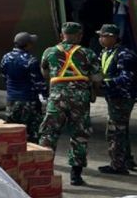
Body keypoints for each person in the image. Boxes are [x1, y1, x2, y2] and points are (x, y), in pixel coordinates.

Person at [39, 22, 102, 186]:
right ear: (79, 36)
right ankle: (75, 175)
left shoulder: (49, 52)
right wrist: (93, 90)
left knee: (49, 133)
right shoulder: (88, 53)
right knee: (79, 134)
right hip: (80, 98)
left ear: (62, 35)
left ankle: (43, 171)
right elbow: (97, 78)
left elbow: (45, 73)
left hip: (57, 97)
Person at [96, 24, 137, 174]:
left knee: (115, 131)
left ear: (113, 37)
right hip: (112, 96)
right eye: (100, 36)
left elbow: (126, 78)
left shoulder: (124, 54)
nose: (100, 39)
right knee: (122, 129)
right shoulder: (106, 52)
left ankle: (117, 165)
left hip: (122, 97)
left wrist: (104, 83)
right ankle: (127, 160)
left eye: (103, 36)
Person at [0, 32, 48, 143]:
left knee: (13, 132)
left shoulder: (5, 58)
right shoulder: (31, 60)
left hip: (11, 100)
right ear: (27, 45)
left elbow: (5, 78)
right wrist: (46, 96)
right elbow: (39, 83)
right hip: (29, 101)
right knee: (33, 134)